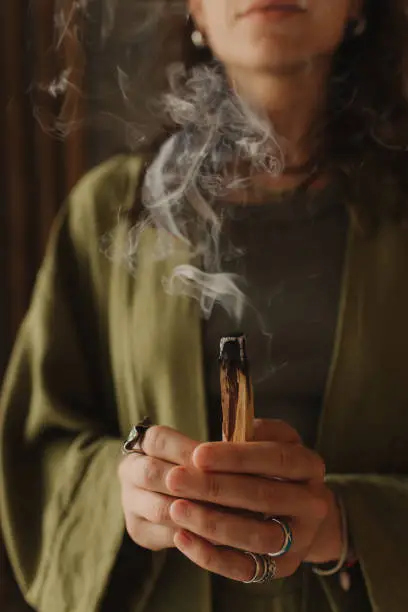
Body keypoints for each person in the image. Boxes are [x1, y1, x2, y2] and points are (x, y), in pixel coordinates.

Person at [1, 0, 408, 610]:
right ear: (195, 8)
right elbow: (39, 449)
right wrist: (126, 490)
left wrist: (343, 526)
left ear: (357, 9)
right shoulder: (112, 210)